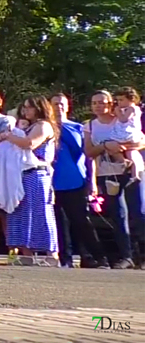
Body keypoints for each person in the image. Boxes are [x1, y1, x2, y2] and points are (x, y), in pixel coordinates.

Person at [0, 96, 59, 264]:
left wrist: (9, 137)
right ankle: (27, 254)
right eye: (24, 107)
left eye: (29, 107)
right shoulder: (26, 126)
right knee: (22, 212)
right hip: (21, 174)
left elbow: (30, 143)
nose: (25, 111)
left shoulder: (43, 126)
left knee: (40, 212)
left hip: (37, 174)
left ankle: (51, 254)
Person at [83, 90, 138, 269]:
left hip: (131, 170)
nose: (98, 106)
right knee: (118, 215)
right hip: (107, 172)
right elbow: (89, 152)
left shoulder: (123, 118)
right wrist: (106, 145)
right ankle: (126, 256)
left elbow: (141, 140)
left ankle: (140, 255)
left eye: (102, 102)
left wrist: (120, 146)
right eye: (94, 103)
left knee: (139, 213)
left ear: (111, 104)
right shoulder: (90, 126)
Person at [50, 93, 105, 268]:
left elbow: (89, 157)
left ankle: (95, 257)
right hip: (52, 183)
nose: (58, 107)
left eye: (62, 104)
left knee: (82, 221)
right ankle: (65, 260)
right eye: (55, 104)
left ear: (67, 107)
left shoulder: (79, 128)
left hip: (76, 181)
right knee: (59, 223)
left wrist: (92, 181)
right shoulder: (44, 127)